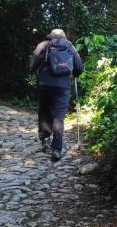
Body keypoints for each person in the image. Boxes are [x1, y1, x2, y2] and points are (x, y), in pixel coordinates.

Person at [29, 28, 84, 161]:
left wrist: (35, 69)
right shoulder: (70, 46)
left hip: (45, 84)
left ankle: (45, 139)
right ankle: (56, 150)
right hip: (63, 86)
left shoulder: (43, 45)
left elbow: (32, 64)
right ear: (64, 36)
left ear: (51, 36)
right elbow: (79, 68)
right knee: (59, 118)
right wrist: (74, 73)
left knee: (44, 111)